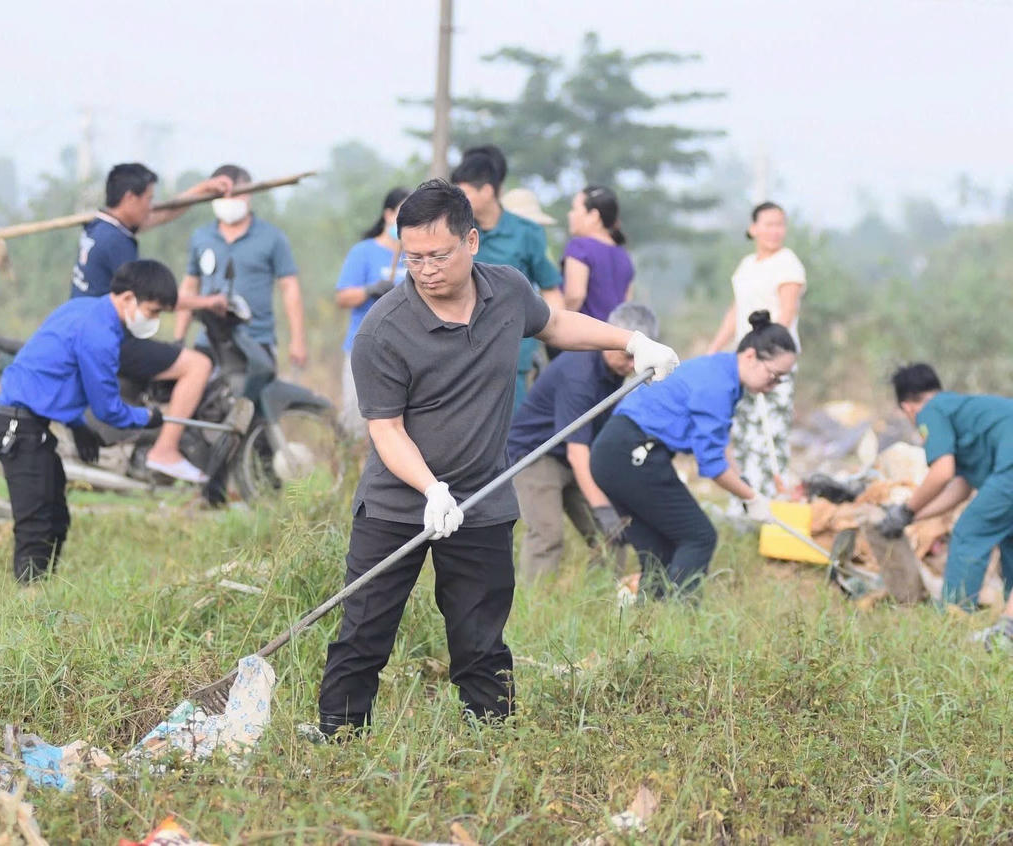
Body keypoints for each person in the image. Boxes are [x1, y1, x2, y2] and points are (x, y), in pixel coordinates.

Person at [316, 179, 679, 737]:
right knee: (365, 630)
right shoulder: (383, 330)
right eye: (413, 257)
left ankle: (491, 741)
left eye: (439, 254)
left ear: (473, 242)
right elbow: (385, 430)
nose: (426, 269)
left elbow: (556, 323)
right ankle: (338, 736)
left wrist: (630, 342)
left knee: (480, 636)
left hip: (483, 499)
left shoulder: (506, 292)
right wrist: (431, 489)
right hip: (397, 504)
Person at [591, 310, 797, 599]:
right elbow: (711, 464)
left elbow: (718, 447)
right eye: (774, 376)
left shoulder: (721, 372)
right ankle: (681, 617)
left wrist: (747, 490)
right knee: (699, 536)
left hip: (613, 452)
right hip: (632, 452)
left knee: (658, 551)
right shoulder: (718, 385)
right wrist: (751, 498)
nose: (774, 386)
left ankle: (649, 622)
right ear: (750, 356)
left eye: (782, 380)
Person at [0, 260, 171, 583]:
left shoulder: (83, 308)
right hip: (18, 428)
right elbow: (108, 408)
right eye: (153, 311)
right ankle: (28, 605)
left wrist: (77, 426)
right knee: (37, 522)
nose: (154, 320)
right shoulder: (100, 334)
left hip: (35, 426)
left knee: (56, 518)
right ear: (128, 298)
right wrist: (148, 417)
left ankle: (42, 592)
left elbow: (58, 380)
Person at [70, 162, 232, 483]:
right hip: (110, 337)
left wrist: (200, 190)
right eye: (148, 199)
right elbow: (150, 297)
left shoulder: (100, 227)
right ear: (130, 198)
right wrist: (206, 302)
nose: (151, 206)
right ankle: (165, 449)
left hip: (87, 327)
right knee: (197, 365)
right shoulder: (116, 242)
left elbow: (160, 215)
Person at [506, 303, 659, 582]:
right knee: (548, 534)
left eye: (635, 359)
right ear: (611, 337)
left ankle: (597, 598)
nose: (631, 366)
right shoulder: (580, 374)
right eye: (626, 356)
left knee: (614, 533)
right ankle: (535, 607)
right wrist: (602, 508)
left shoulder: (616, 371)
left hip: (578, 455)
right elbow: (577, 454)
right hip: (537, 455)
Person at [877, 364, 1013, 612]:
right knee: (1008, 537)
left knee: (970, 532)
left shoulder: (930, 411)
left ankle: (955, 616)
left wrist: (905, 509)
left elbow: (942, 473)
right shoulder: (961, 409)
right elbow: (960, 487)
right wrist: (912, 517)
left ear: (908, 407)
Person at [707, 202, 806, 499]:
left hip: (773, 362)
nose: (775, 231)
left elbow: (787, 311)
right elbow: (737, 310)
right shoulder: (747, 265)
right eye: (768, 224)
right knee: (744, 433)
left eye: (780, 224)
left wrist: (768, 350)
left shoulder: (788, 263)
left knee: (770, 436)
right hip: (744, 362)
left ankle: (773, 505)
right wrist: (715, 347)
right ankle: (745, 502)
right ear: (753, 229)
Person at [451, 147, 562, 411]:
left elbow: (551, 290)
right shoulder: (456, 231)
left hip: (513, 352)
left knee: (512, 435)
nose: (459, 200)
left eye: (464, 193)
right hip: (460, 350)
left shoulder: (527, 233)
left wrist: (555, 340)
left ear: (487, 191)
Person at [174, 164, 307, 369]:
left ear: (249, 195)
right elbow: (190, 286)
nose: (228, 202)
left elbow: (289, 288)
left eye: (236, 194)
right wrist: (179, 338)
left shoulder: (272, 237)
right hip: (209, 340)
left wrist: (298, 340)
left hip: (256, 339)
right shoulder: (201, 237)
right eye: (221, 196)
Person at [334, 187, 410, 437]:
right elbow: (343, 297)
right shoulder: (364, 251)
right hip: (364, 347)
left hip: (406, 350)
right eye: (402, 213)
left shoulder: (416, 254)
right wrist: (369, 290)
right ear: (388, 214)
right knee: (358, 421)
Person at [562, 185, 634, 321]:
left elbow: (575, 295)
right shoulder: (623, 254)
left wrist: (558, 323)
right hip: (614, 337)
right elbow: (627, 303)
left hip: (583, 338)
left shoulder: (580, 246)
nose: (570, 214)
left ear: (593, 216)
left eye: (574, 209)